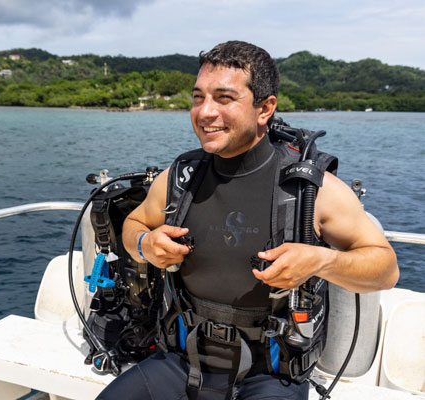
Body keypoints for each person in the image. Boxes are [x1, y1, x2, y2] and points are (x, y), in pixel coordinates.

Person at [96, 40, 399, 400]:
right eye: (198, 97)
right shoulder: (180, 177)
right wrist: (146, 244)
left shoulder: (310, 189)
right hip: (179, 359)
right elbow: (133, 225)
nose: (205, 111)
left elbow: (385, 269)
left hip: (271, 373)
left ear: (264, 108)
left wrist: (321, 260)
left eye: (224, 98)